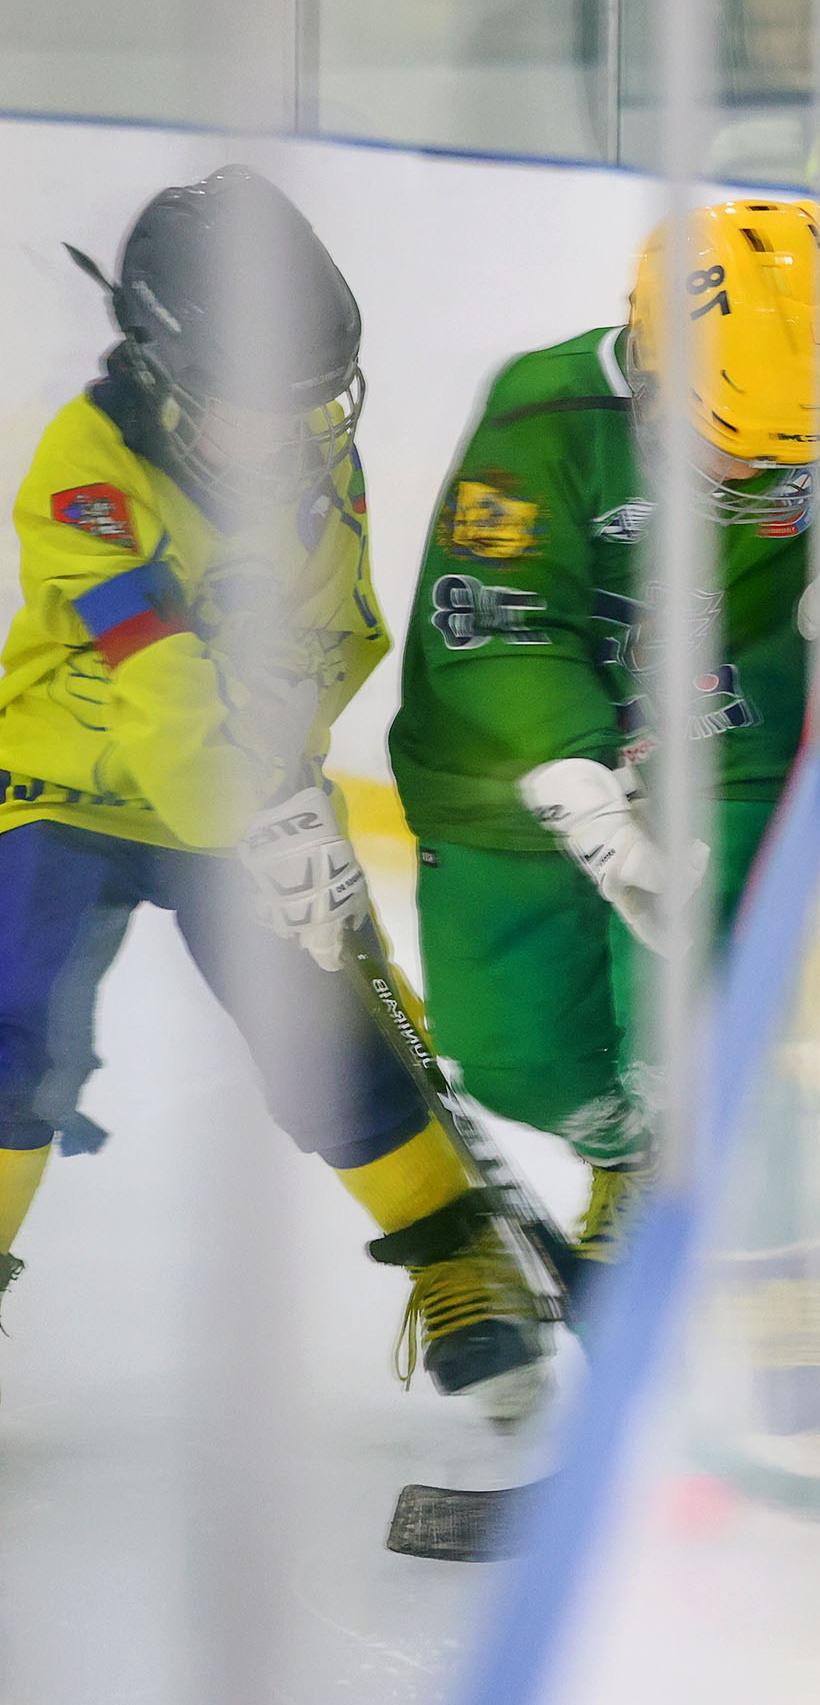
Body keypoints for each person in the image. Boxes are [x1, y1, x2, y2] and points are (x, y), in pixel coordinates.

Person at [0, 166, 547, 1421]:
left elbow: (326, 631)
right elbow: (157, 681)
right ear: (153, 363)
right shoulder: (83, 477)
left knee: (330, 1025)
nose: (292, 427)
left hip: (244, 780)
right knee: (12, 1026)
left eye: (313, 400)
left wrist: (292, 780)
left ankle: (460, 1254)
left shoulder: (306, 434)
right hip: (69, 787)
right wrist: (259, 807)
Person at [389, 196, 820, 1348]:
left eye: (781, 454)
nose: (747, 472)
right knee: (519, 1064)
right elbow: (495, 623)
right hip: (518, 776)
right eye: (721, 439)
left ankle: (779, 1251)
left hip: (722, 740)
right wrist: (577, 787)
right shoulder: (543, 417)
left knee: (697, 1017)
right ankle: (628, 1151)